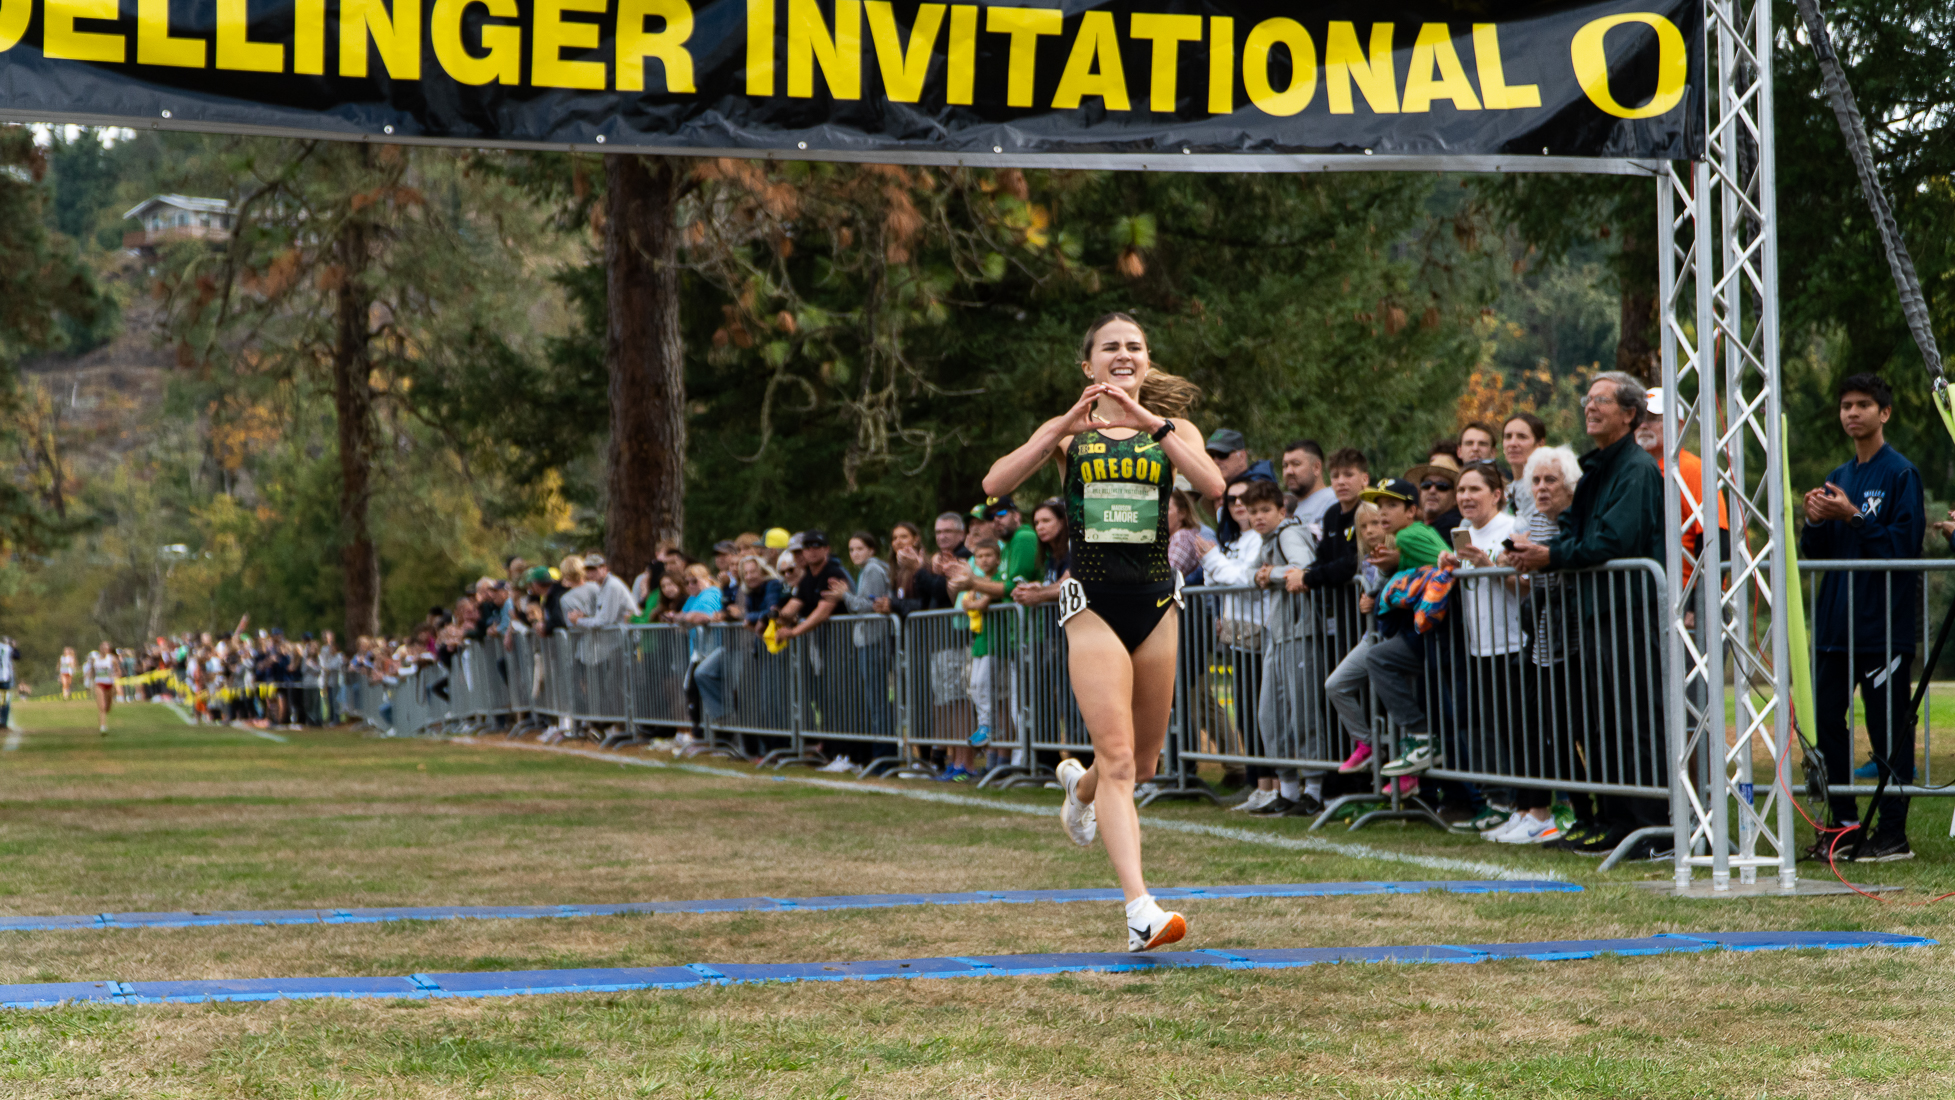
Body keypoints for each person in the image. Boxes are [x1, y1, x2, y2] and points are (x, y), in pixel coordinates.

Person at [981, 310, 1224, 952]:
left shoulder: (1173, 430)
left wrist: (1152, 424)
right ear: (1088, 365)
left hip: (1156, 600)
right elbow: (995, 484)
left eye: (1135, 347)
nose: (1123, 354)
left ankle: (1077, 789)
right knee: (1118, 757)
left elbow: (1213, 484)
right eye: (1110, 347)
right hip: (1089, 602)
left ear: (1146, 362)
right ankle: (1140, 911)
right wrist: (1063, 423)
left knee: (1140, 763)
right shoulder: (1069, 434)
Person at [1507, 371, 1666, 858]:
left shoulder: (1637, 470)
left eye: (1602, 401)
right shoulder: (1598, 467)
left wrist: (1551, 557)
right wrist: (1546, 547)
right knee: (1601, 724)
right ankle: (1615, 820)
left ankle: (1653, 828)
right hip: (1595, 615)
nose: (1590, 407)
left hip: (1627, 613)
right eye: (1587, 399)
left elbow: (1613, 541)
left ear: (1629, 413)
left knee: (1632, 720)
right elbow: (1575, 525)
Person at [1799, 373, 1924, 863]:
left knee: (1887, 728)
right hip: (1836, 627)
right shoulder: (1840, 474)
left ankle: (1893, 834)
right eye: (1846, 405)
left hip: (1881, 628)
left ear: (1884, 413)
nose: (1852, 413)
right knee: (1826, 721)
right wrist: (1814, 520)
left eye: (1863, 405)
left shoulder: (1900, 474)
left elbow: (1903, 547)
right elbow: (1820, 551)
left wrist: (1853, 516)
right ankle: (1844, 824)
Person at [1436, 462, 1536, 842]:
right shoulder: (1462, 533)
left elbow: (1524, 586)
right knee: (1486, 728)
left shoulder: (1511, 529)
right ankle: (1503, 805)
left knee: (1516, 731)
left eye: (1474, 489)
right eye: (1461, 490)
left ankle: (1528, 806)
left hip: (1513, 644)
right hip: (1479, 647)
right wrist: (1449, 564)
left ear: (1497, 494)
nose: (1465, 497)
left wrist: (1488, 565)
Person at [1243, 479, 1325, 816]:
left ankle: (1315, 788)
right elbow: (1249, 574)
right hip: (1277, 635)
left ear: (1281, 511)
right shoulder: (1265, 540)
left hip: (1300, 631)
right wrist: (1262, 575)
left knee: (1302, 710)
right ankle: (1289, 789)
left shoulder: (1290, 532)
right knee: (1270, 714)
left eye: (1265, 510)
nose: (1258, 517)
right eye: (1253, 512)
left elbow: (1303, 567)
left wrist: (1271, 574)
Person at [1361, 478, 1451, 778]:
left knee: (1377, 658)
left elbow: (1446, 565)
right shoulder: (1407, 536)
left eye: (1392, 505)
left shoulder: (1406, 537)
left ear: (1411, 511)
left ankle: (1422, 737)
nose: (1383, 513)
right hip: (1423, 632)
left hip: (1432, 632)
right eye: (1380, 506)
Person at [1502, 413, 1548, 523]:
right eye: (1508, 437)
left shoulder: (1545, 488)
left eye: (1522, 437)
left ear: (1540, 444)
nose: (1513, 443)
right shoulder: (1504, 492)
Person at [1282, 439, 1336, 532]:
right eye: (1285, 465)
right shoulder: (1295, 509)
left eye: (1296, 464)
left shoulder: (1333, 502)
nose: (1288, 471)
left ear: (1316, 467)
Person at [1405, 451, 1463, 533]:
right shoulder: (1423, 526)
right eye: (1426, 485)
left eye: (1442, 486)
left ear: (1455, 497)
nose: (1432, 490)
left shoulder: (1454, 526)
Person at [84, 641, 118, 734]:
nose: (104, 650)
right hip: (99, 684)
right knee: (102, 706)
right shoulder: (95, 659)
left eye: (106, 648)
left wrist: (115, 677)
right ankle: (103, 727)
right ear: (100, 649)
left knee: (108, 708)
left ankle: (103, 720)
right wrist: (86, 677)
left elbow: (117, 670)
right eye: (103, 648)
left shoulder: (112, 659)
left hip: (109, 684)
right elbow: (92, 670)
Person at [0, 635, 15, 731]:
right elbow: (17, 655)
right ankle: (3, 723)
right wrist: (14, 646)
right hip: (5, 678)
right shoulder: (7, 648)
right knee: (5, 701)